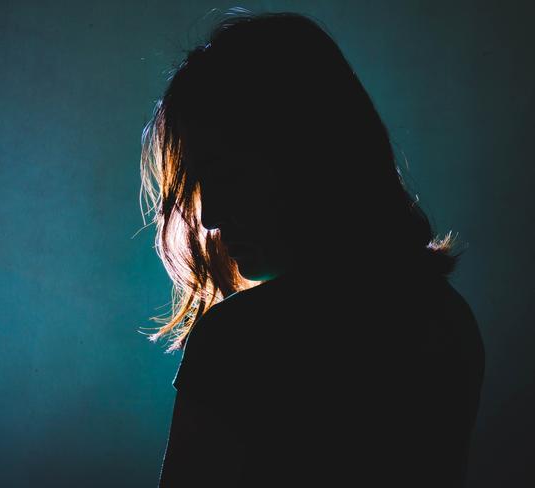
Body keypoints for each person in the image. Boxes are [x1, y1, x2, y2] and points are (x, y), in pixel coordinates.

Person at [139, 8, 485, 487]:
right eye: (202, 185)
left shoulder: (238, 345)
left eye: (227, 177)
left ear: (307, 159)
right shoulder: (448, 320)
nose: (210, 217)